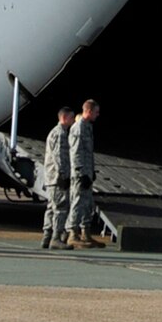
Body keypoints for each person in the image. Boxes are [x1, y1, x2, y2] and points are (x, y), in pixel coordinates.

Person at [66, 100, 106, 247]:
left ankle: (86, 233)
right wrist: (81, 172)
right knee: (77, 201)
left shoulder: (88, 127)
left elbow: (88, 152)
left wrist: (91, 171)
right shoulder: (79, 128)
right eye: (96, 112)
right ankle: (73, 234)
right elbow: (76, 152)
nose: (98, 115)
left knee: (87, 202)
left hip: (87, 172)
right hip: (80, 173)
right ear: (88, 111)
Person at [41, 106, 75, 248]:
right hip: (57, 178)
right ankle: (56, 238)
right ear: (64, 117)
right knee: (60, 207)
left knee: (51, 207)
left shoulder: (57, 133)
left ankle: (47, 237)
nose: (73, 120)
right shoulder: (60, 134)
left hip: (52, 177)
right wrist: (63, 175)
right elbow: (59, 156)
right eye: (72, 117)